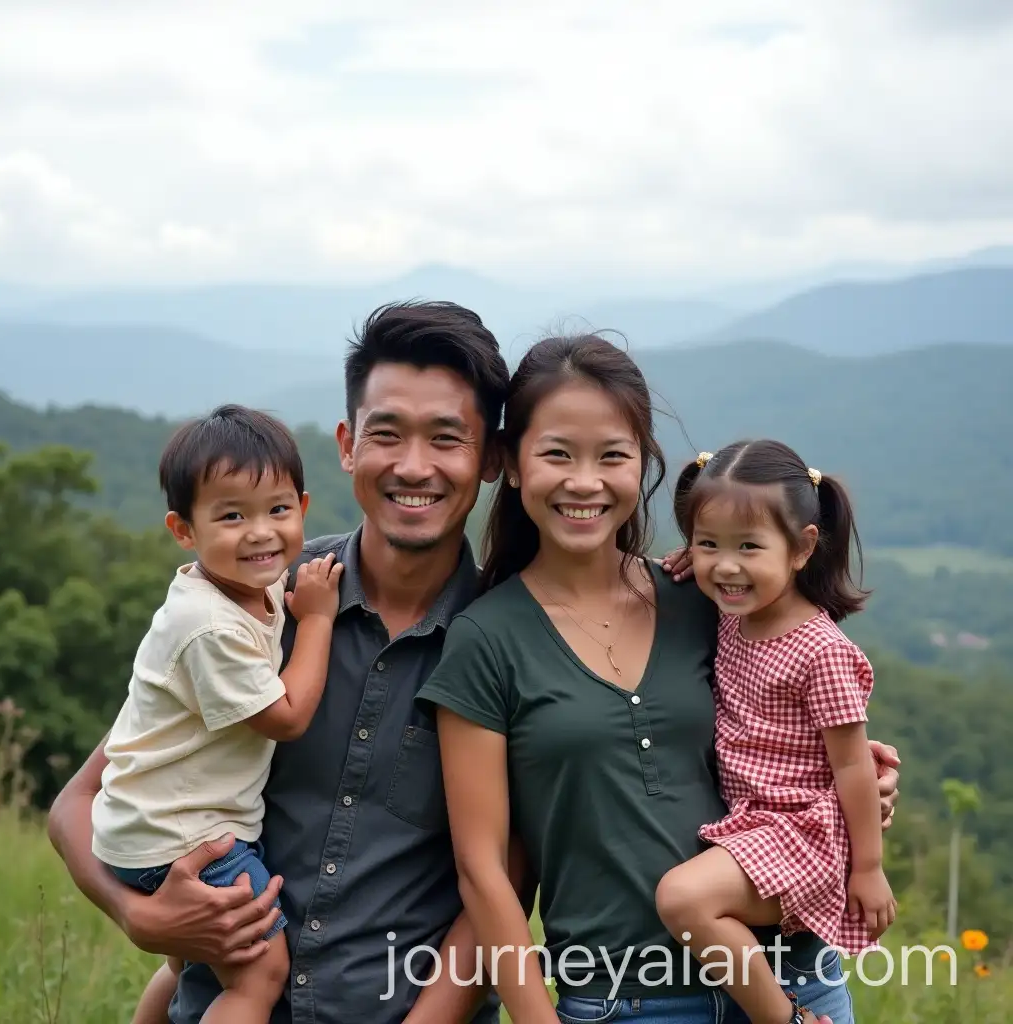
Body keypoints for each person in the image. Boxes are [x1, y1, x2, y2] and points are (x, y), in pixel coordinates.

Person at [48, 301, 527, 1024]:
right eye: (387, 434)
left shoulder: (511, 641)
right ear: (346, 443)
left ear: (490, 458)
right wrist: (136, 916)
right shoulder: (251, 601)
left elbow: (505, 878)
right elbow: (79, 801)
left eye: (446, 439)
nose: (413, 466)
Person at [413, 333, 901, 1024]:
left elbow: (803, 719)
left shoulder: (707, 599)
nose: (585, 481)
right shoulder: (486, 639)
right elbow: (485, 872)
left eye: (613, 455)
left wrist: (865, 785)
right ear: (511, 464)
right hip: (626, 1001)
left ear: (643, 464)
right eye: (557, 453)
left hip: (791, 977)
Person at [90, 404, 344, 1023]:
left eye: (277, 510)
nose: (259, 532)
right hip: (183, 836)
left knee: (188, 965)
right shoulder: (207, 624)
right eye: (231, 516)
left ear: (303, 510)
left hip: (150, 825)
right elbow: (285, 717)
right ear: (184, 529)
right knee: (260, 973)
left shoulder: (243, 589)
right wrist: (318, 620)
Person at [652, 441, 895, 1024]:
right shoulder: (735, 613)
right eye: (709, 543)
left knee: (683, 899)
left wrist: (867, 867)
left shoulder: (819, 649)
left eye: (749, 547)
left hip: (801, 834)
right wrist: (696, 558)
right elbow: (719, 566)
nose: (726, 566)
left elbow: (852, 766)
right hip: (755, 827)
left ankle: (782, 1018)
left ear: (802, 547)